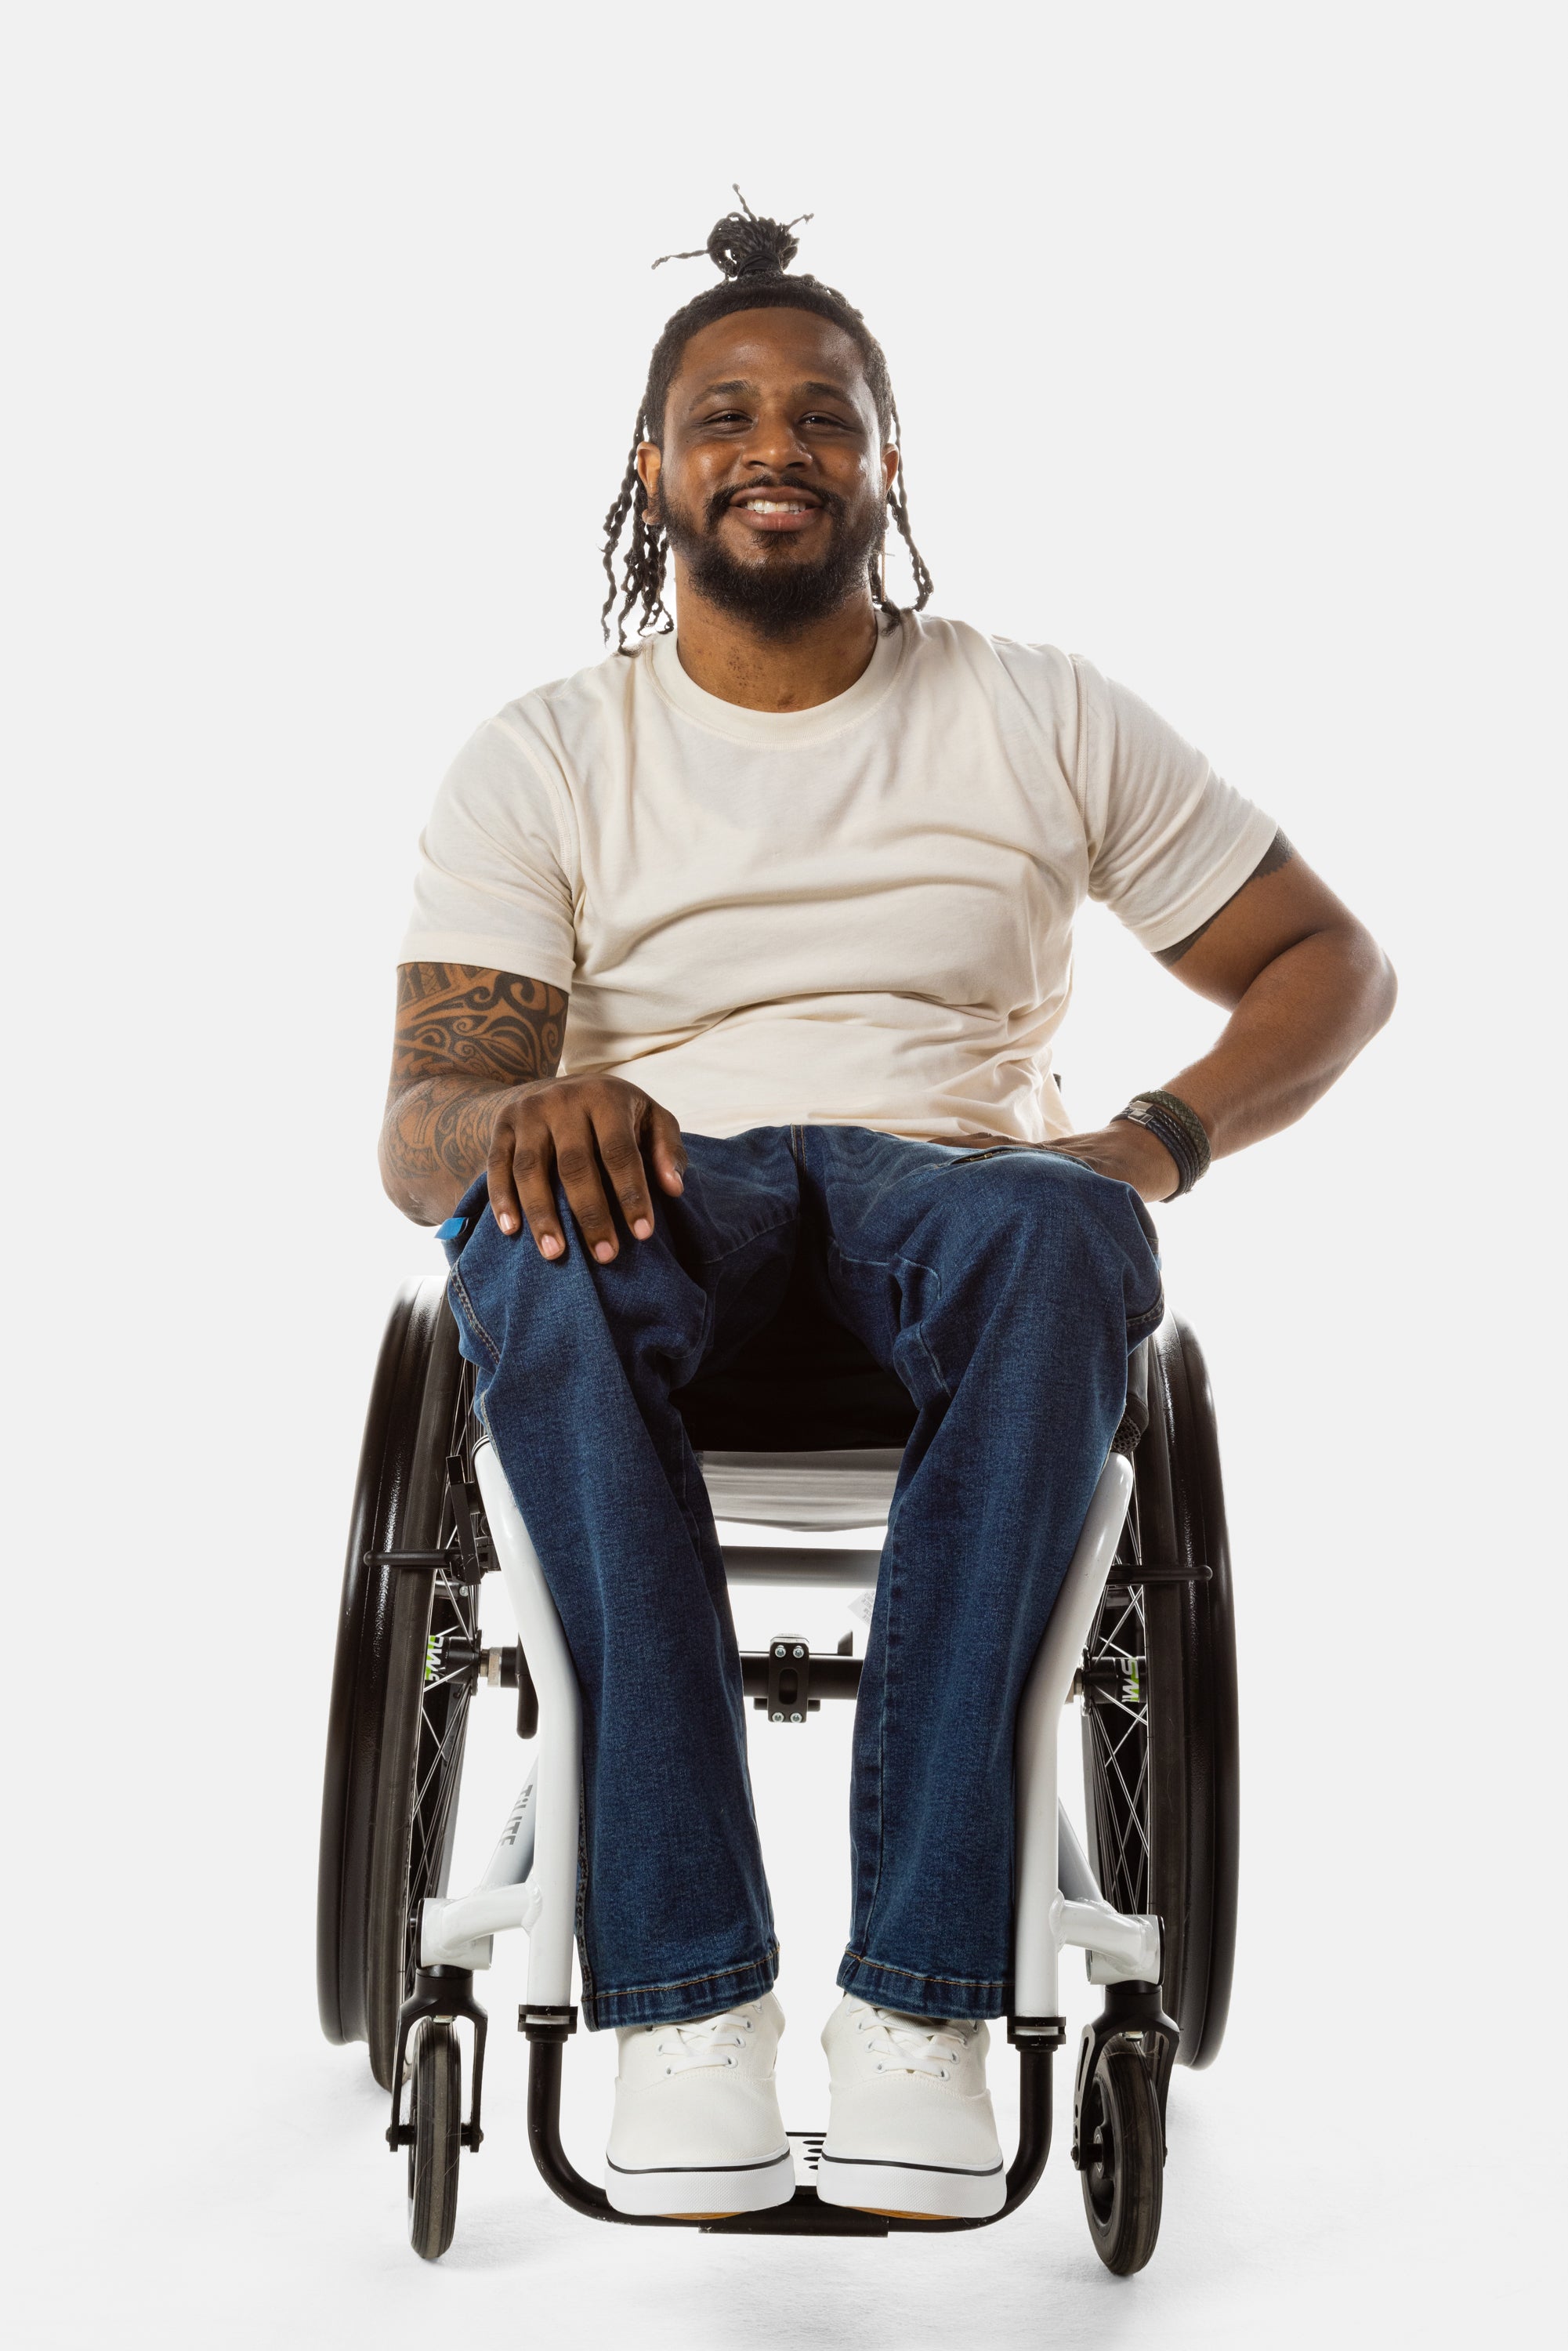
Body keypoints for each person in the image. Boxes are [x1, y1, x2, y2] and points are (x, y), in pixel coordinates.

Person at [380, 198, 1395, 2222]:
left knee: (1057, 1228)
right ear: (652, 471)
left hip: (957, 1211)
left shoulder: (1036, 710)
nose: (776, 445)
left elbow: (1323, 962)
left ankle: (924, 2009)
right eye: (724, 415)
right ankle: (678, 2009)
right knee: (533, 1262)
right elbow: (422, 1127)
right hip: (661, 1188)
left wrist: (1155, 1140)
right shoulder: (548, 752)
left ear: (883, 462)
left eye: (823, 416)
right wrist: (515, 1124)